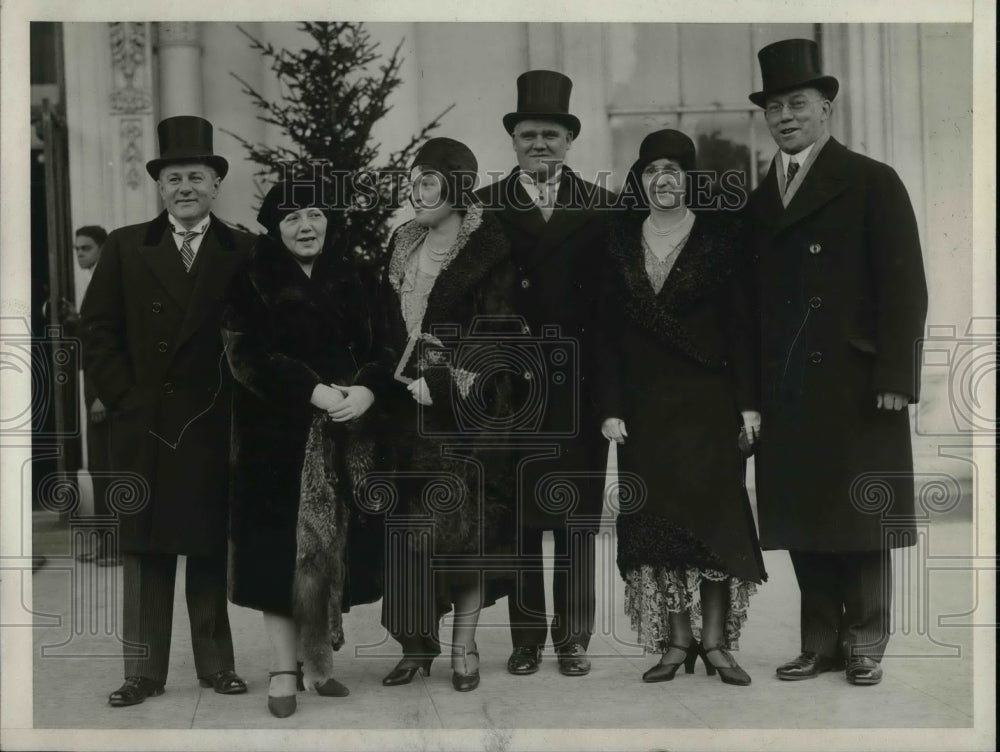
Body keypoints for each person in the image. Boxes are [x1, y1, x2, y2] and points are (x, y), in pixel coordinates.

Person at [745, 39, 928, 686]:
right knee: (805, 514)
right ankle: (819, 641)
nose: (785, 116)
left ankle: (865, 641)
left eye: (797, 103)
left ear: (827, 107)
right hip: (789, 386)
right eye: (774, 107)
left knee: (861, 513)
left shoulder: (873, 180)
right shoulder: (760, 199)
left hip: (858, 382)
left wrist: (896, 377)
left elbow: (904, 288)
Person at [80, 116, 252, 707]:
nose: (185, 187)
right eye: (174, 178)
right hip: (145, 420)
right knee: (144, 549)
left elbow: (259, 336)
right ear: (159, 186)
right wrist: (126, 399)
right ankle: (143, 672)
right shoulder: (126, 245)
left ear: (216, 184)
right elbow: (96, 330)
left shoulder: (242, 248)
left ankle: (217, 665)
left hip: (211, 420)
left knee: (207, 547)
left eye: (196, 177)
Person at [596, 129, 766, 686]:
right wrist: (610, 406)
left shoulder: (722, 237)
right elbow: (607, 334)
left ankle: (715, 643)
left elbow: (742, 327)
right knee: (657, 526)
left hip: (710, 405)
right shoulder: (619, 240)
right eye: (652, 170)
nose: (663, 179)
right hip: (645, 411)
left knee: (713, 524)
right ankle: (676, 642)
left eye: (673, 169)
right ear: (639, 180)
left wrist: (749, 406)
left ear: (691, 179)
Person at [222, 176, 389, 717]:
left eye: (315, 213)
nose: (306, 225)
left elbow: (388, 344)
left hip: (345, 433)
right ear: (275, 228)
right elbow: (245, 355)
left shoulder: (356, 275)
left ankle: (319, 664)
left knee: (328, 550)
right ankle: (282, 670)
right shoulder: (252, 278)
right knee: (279, 554)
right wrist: (312, 390)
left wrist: (366, 390)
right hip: (275, 440)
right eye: (292, 217)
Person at [475, 70, 616, 677]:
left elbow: (613, 309)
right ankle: (527, 639)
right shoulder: (485, 207)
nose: (540, 144)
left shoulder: (603, 207)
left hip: (579, 384)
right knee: (522, 521)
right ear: (513, 141)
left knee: (577, 516)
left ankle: (574, 638)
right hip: (512, 389)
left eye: (551, 135)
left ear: (569, 140)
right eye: (529, 134)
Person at [379, 137, 519, 692]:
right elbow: (385, 321)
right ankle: (416, 647)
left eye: (428, 182)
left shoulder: (491, 246)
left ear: (456, 188)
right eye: (412, 182)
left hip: (465, 413)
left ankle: (464, 647)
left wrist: (441, 383)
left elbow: (500, 335)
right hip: (403, 412)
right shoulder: (403, 241)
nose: (416, 193)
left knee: (465, 534)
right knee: (408, 534)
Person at [70, 226, 120, 566]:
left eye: (86, 248)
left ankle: (116, 546)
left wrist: (103, 395)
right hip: (94, 389)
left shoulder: (111, 284)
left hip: (106, 391)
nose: (79, 254)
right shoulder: (93, 283)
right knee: (100, 467)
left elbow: (112, 344)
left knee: (111, 468)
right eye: (76, 249)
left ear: (102, 249)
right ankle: (104, 544)